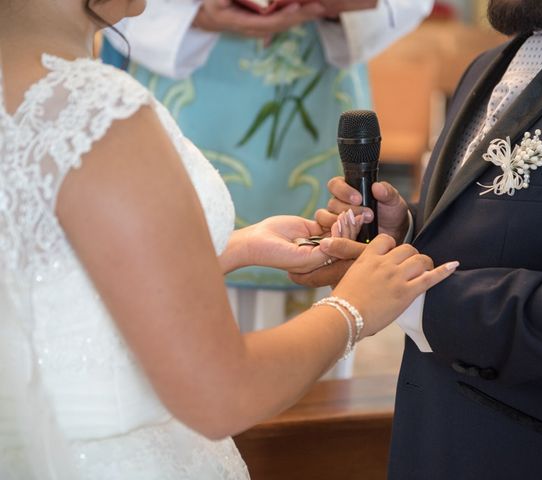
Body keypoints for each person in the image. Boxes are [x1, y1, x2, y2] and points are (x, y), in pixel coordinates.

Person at [0, 0, 457, 478]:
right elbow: (221, 395)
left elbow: (46, 274)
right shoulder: (95, 114)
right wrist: (354, 307)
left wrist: (235, 247)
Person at [293, 0, 542, 477]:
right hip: (439, 433)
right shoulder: (489, 64)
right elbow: (492, 225)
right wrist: (404, 232)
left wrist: (411, 295)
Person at [99, 0, 434, 358]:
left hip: (313, 74)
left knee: (325, 255)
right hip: (185, 74)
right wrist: (190, 14)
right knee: (172, 296)